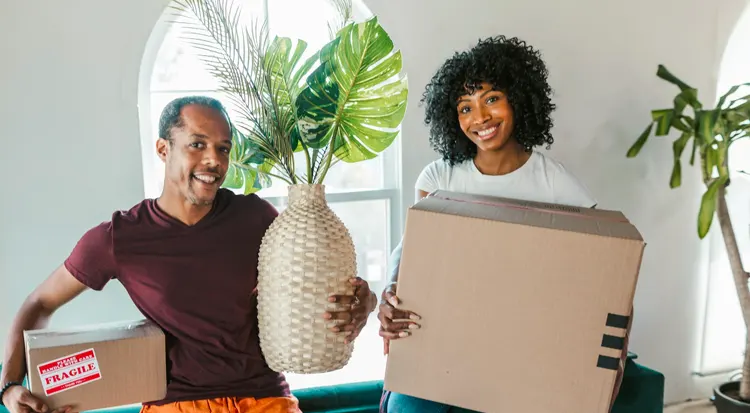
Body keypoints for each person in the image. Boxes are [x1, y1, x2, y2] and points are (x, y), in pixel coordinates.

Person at [0, 96, 378, 413]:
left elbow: (315, 294)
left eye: (223, 148)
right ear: (164, 149)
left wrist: (363, 302)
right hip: (176, 405)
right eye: (197, 144)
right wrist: (9, 388)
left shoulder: (257, 218)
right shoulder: (119, 238)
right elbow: (38, 303)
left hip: (264, 398)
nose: (214, 160)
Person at [377, 35, 631, 412]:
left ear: (519, 99)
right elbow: (414, 257)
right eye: (465, 107)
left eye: (491, 99)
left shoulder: (556, 184)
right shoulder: (440, 178)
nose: (479, 119)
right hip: (445, 347)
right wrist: (391, 295)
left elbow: (604, 272)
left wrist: (609, 359)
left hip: (526, 351)